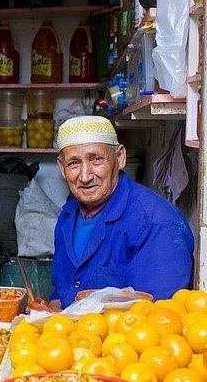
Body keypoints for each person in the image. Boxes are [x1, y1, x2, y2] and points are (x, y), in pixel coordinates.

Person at [49, 116, 194, 309]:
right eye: (74, 163)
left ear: (120, 157)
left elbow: (159, 316)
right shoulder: (67, 218)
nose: (85, 176)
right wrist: (50, 310)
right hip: (74, 336)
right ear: (62, 168)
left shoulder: (157, 222)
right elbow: (63, 293)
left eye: (96, 159)